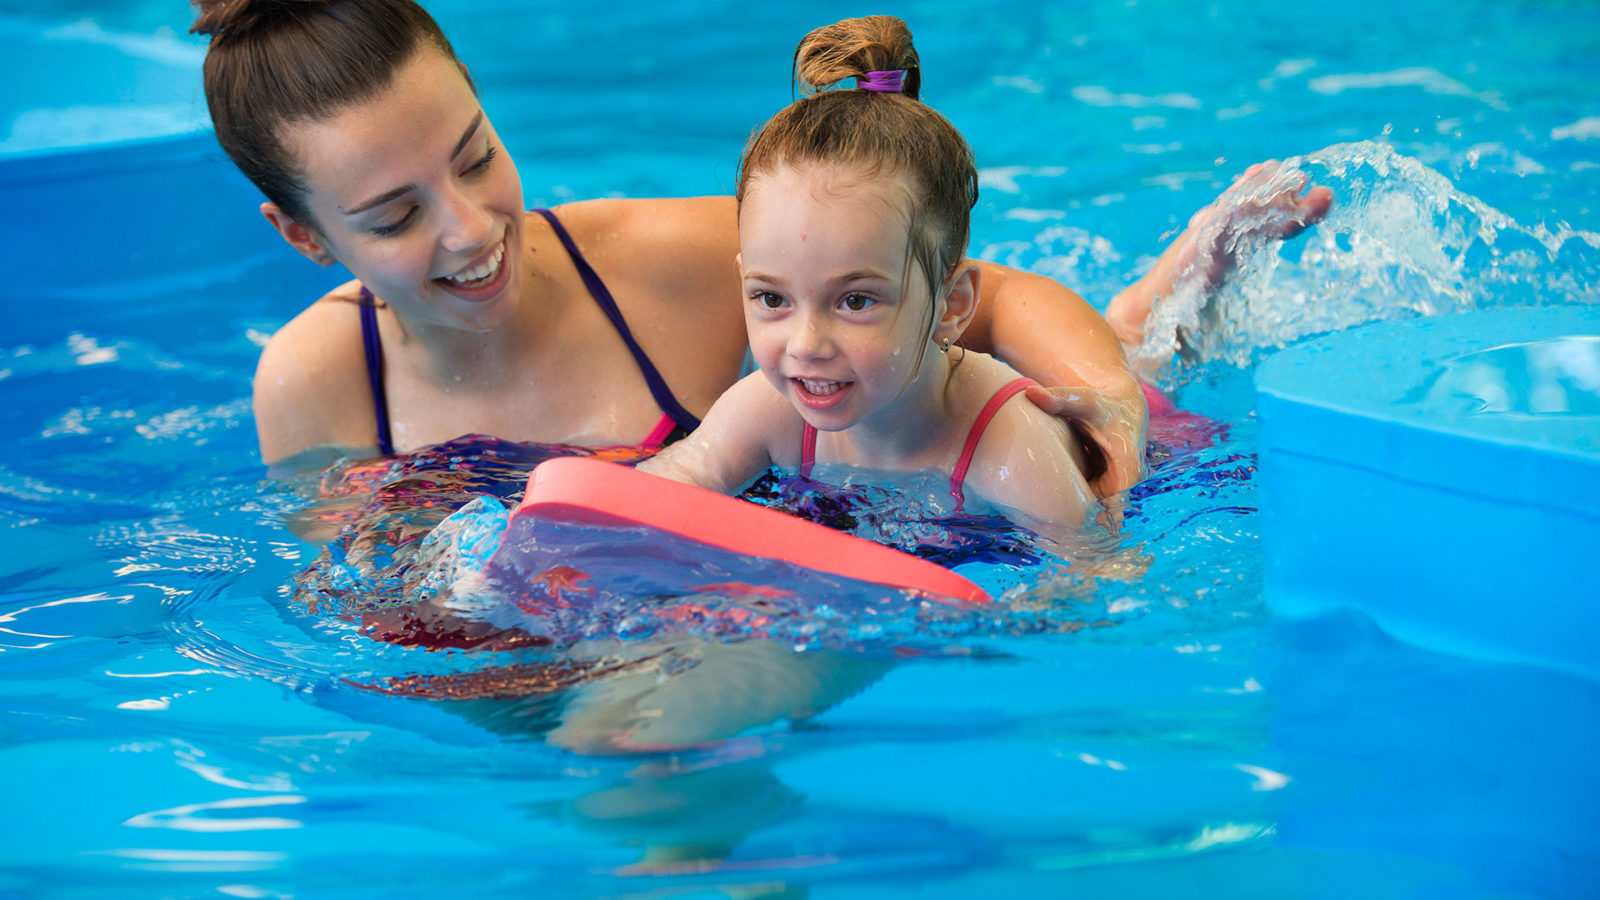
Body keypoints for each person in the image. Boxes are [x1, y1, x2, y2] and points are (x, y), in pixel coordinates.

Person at [191, 0, 1330, 500]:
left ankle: (1152, 311)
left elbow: (986, 301)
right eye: (393, 217)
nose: (470, 228)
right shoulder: (316, 382)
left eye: (477, 156)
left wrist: (1107, 401)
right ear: (303, 236)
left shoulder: (661, 262)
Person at [638, 16, 1099, 538]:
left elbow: (1094, 573)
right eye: (771, 298)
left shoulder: (1011, 447)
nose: (805, 345)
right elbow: (674, 480)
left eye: (855, 301)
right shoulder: (770, 409)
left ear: (952, 304)